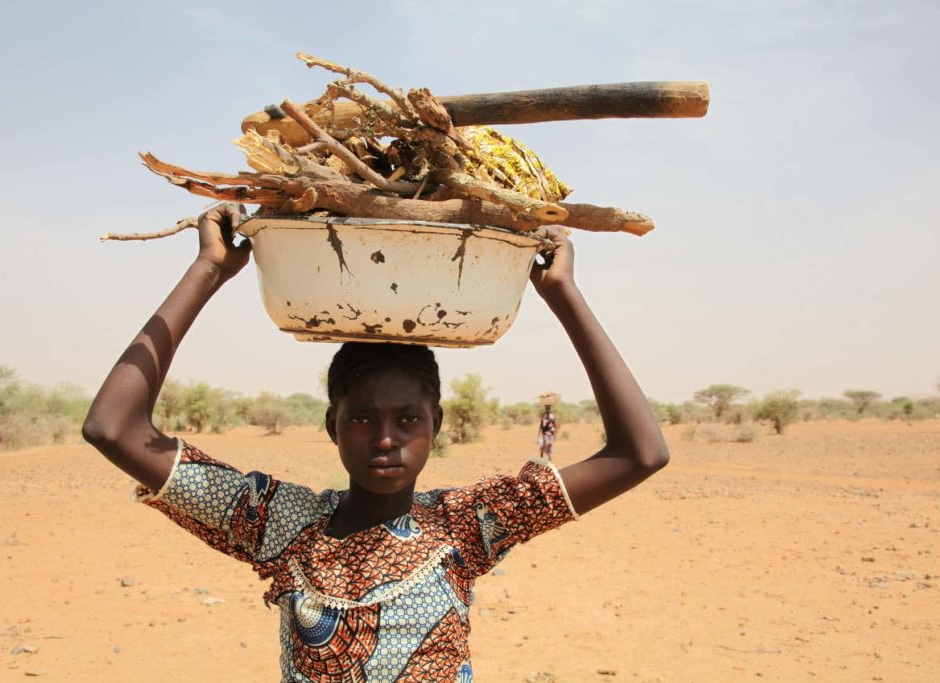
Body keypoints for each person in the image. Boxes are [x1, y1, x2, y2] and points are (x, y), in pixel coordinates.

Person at [82, 204, 669, 682]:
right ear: (332, 425)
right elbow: (114, 429)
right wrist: (209, 269)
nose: (385, 439)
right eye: (361, 419)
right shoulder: (278, 523)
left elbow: (640, 453)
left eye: (407, 419)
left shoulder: (467, 524)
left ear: (436, 423)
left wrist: (563, 292)